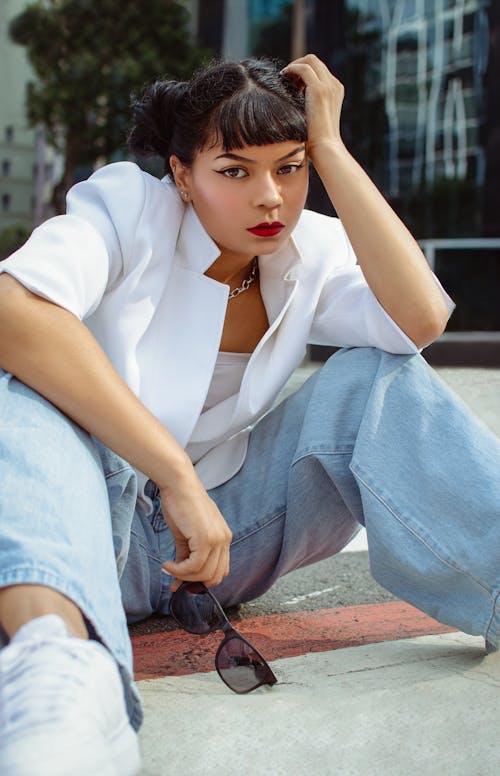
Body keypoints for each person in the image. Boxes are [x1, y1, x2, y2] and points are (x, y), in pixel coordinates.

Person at [0, 53, 498, 774]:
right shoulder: (129, 208)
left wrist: (329, 146)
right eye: (234, 171)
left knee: (373, 377)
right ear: (182, 175)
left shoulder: (311, 249)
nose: (270, 198)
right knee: (20, 400)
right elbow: (15, 312)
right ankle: (61, 679)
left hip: (221, 545)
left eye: (289, 168)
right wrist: (174, 476)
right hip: (82, 528)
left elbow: (417, 321)